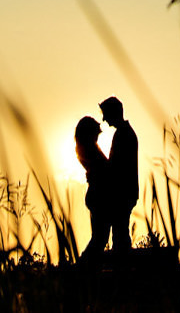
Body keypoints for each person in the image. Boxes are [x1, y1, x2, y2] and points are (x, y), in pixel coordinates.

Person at [99, 95, 139, 252]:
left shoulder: (124, 135)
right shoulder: (124, 133)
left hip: (123, 193)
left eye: (105, 114)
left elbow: (117, 167)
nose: (104, 119)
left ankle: (123, 270)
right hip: (126, 193)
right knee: (120, 233)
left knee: (120, 234)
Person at [74, 116, 112, 258]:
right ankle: (83, 268)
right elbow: (103, 169)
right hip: (98, 196)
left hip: (95, 195)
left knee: (99, 238)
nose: (98, 137)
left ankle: (86, 268)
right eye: (96, 133)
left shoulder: (87, 149)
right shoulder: (89, 150)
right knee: (99, 239)